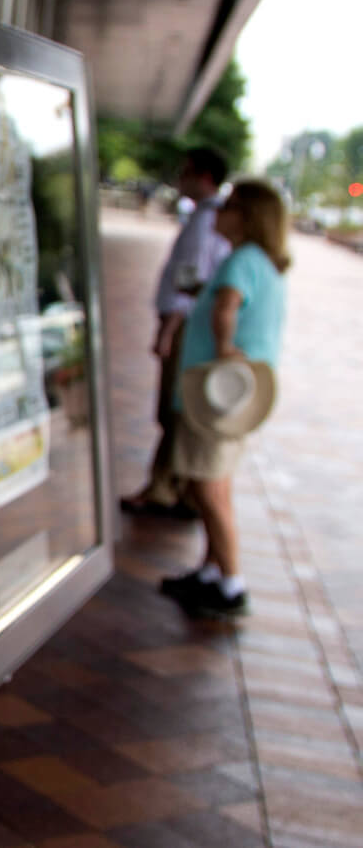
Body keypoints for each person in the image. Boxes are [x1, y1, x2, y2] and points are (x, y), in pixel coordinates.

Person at [160, 179, 289, 620]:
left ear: (249, 216)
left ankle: (231, 581)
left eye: (230, 206)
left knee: (208, 488)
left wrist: (223, 345)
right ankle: (213, 570)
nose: (220, 211)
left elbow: (226, 306)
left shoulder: (241, 261)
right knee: (216, 482)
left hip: (216, 397)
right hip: (233, 399)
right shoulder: (260, 263)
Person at [123, 146, 232, 518]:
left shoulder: (205, 222)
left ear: (203, 177)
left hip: (183, 323)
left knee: (173, 407)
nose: (179, 178)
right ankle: (178, 488)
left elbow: (189, 282)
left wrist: (168, 330)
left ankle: (164, 488)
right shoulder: (206, 217)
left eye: (186, 172)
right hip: (188, 323)